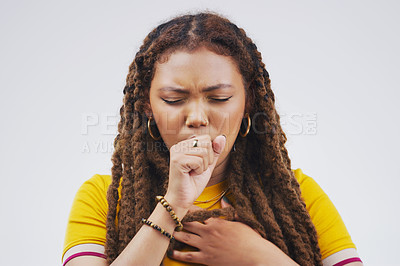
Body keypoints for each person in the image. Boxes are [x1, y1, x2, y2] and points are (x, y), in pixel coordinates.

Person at [62, 12, 363, 266]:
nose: (196, 117)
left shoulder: (300, 196)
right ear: (147, 107)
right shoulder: (101, 197)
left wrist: (258, 255)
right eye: (173, 99)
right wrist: (172, 206)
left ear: (249, 103)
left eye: (219, 98)